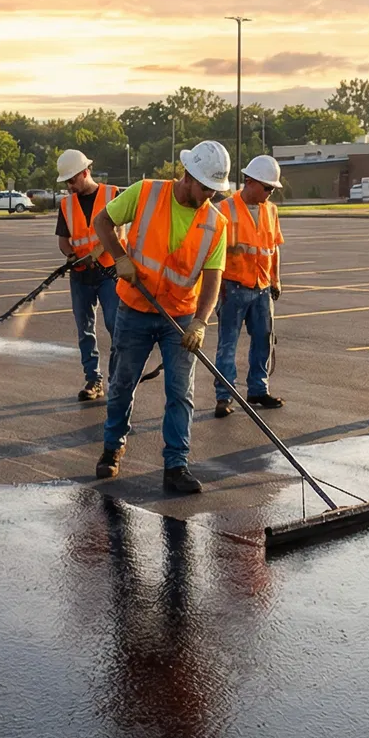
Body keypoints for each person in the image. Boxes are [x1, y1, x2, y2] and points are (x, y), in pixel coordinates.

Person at [91, 140, 230, 494]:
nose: (209, 196)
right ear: (187, 176)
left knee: (180, 393)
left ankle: (176, 465)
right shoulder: (146, 193)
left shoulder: (216, 223)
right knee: (122, 383)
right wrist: (119, 257)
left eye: (215, 190)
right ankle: (112, 448)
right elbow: (103, 220)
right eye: (205, 188)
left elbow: (213, 279)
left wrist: (200, 322)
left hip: (180, 319)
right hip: (135, 309)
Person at [212, 153, 285, 417]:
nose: (269, 194)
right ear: (250, 182)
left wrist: (276, 279)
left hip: (262, 287)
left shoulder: (271, 210)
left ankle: (257, 389)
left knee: (263, 340)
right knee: (228, 344)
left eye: (272, 189)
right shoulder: (224, 209)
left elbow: (273, 248)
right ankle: (224, 395)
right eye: (267, 188)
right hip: (232, 287)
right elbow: (213, 252)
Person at [53, 148, 122, 402]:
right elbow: (63, 240)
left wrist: (97, 253)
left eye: (72, 180)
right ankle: (93, 379)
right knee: (85, 329)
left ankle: (117, 382)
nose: (70, 186)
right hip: (81, 276)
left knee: (116, 326)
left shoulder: (112, 195)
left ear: (85, 172)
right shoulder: (66, 204)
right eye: (67, 182)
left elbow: (117, 232)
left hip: (109, 274)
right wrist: (71, 256)